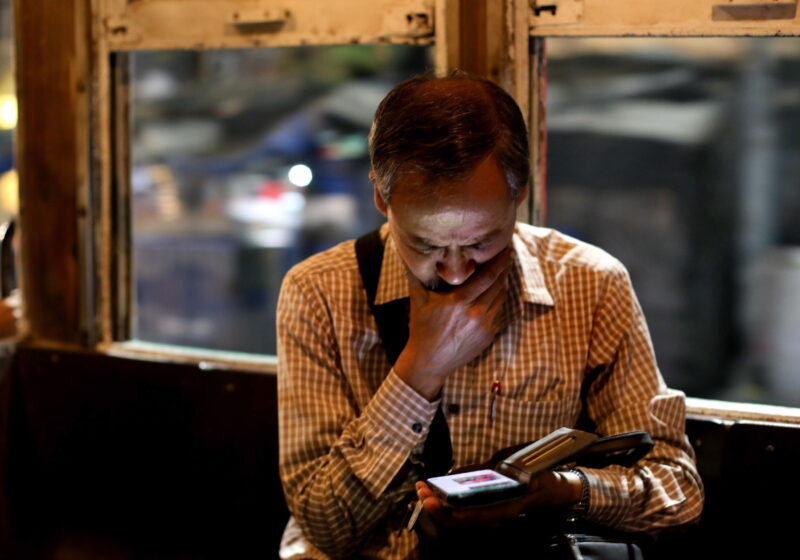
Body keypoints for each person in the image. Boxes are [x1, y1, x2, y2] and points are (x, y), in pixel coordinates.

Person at [277, 72, 704, 559]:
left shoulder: (589, 283)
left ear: (518, 193)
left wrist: (559, 489)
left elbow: (677, 491)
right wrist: (420, 369)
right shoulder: (319, 291)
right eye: (425, 245)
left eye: (482, 242)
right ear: (381, 197)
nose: (457, 271)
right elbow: (324, 525)